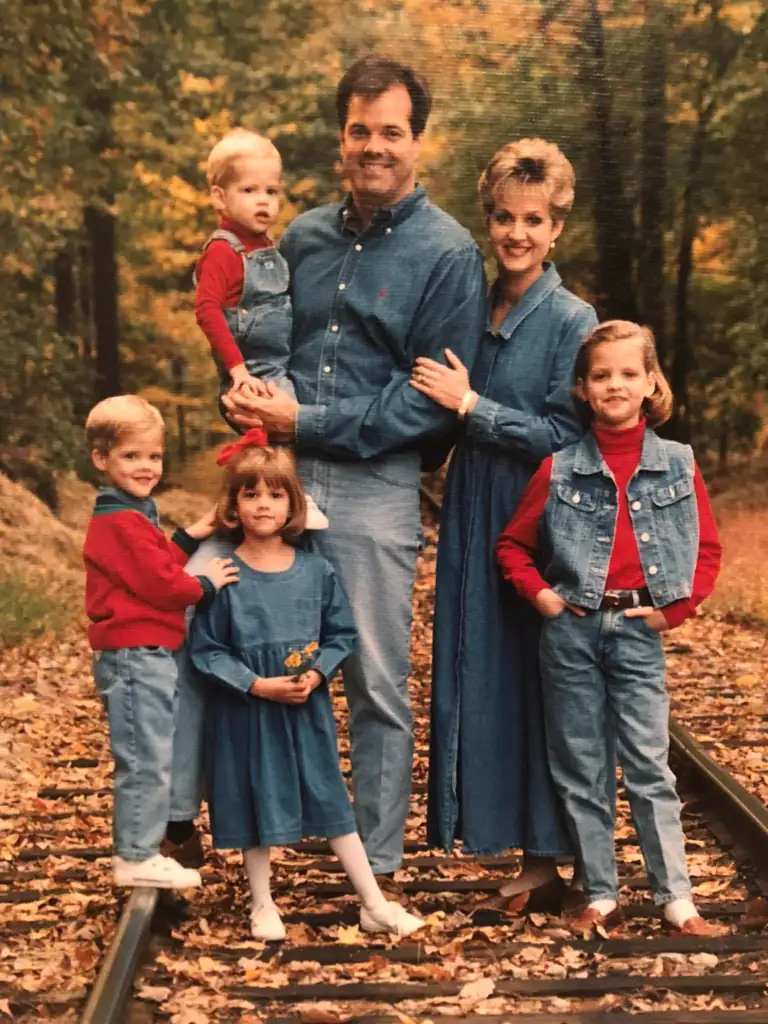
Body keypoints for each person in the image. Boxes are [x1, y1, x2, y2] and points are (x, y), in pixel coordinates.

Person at [220, 55, 486, 878]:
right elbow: (259, 341)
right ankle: (273, 835)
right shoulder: (297, 236)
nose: (375, 146)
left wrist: (311, 418)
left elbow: (431, 403)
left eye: (392, 133)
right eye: (360, 130)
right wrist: (242, 392)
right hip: (280, 481)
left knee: (372, 676)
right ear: (342, 136)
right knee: (265, 661)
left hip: (376, 489)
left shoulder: (448, 253)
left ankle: (377, 863)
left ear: (418, 142)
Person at [496, 320, 725, 937]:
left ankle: (676, 898)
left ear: (651, 383)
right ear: (582, 387)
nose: (615, 385)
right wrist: (542, 597)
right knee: (581, 765)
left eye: (629, 373)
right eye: (602, 375)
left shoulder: (679, 463)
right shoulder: (559, 469)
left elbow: (706, 550)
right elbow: (513, 547)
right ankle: (600, 891)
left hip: (637, 629)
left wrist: (672, 612)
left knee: (649, 764)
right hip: (570, 633)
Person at [414, 139, 598, 909]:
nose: (516, 233)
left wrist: (472, 407)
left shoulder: (571, 317)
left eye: (533, 220)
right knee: (474, 669)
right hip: (469, 511)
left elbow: (567, 435)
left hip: (536, 518)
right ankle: (512, 849)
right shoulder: (472, 302)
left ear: (557, 227)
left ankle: (550, 856)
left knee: (535, 684)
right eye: (503, 217)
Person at [187, 432, 424, 939]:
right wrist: (255, 685)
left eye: (275, 495)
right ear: (233, 505)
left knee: (331, 799)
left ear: (293, 504)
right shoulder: (223, 574)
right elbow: (206, 649)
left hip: (303, 705)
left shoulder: (316, 570)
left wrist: (316, 673)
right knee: (257, 798)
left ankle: (374, 902)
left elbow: (341, 632)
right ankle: (263, 903)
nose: (263, 505)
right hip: (248, 710)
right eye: (250, 495)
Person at [82, 395, 239, 888]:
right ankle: (134, 856)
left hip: (145, 653)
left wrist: (194, 533)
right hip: (134, 655)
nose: (146, 466)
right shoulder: (120, 521)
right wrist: (206, 583)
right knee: (145, 757)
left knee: (152, 752)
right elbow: (163, 585)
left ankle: (142, 849)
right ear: (101, 459)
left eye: (153, 456)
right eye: (131, 456)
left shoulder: (131, 513)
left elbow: (155, 560)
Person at [195, 128, 327, 530]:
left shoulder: (266, 246)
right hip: (254, 369)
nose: (264, 201)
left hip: (277, 362)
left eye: (271, 191)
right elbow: (207, 310)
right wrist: (237, 372)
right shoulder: (223, 251)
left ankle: (263, 501)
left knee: (281, 434)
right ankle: (288, 502)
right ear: (220, 196)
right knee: (285, 431)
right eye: (250, 190)